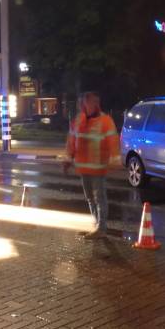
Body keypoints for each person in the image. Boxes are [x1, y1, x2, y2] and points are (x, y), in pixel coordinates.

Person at [64, 91, 119, 239]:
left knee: (99, 198)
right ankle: (96, 225)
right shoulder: (79, 120)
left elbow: (113, 140)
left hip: (98, 168)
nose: (88, 105)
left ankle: (101, 228)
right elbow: (72, 141)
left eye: (92, 102)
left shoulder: (105, 121)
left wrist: (115, 158)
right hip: (84, 168)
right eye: (86, 103)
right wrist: (68, 158)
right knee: (90, 197)